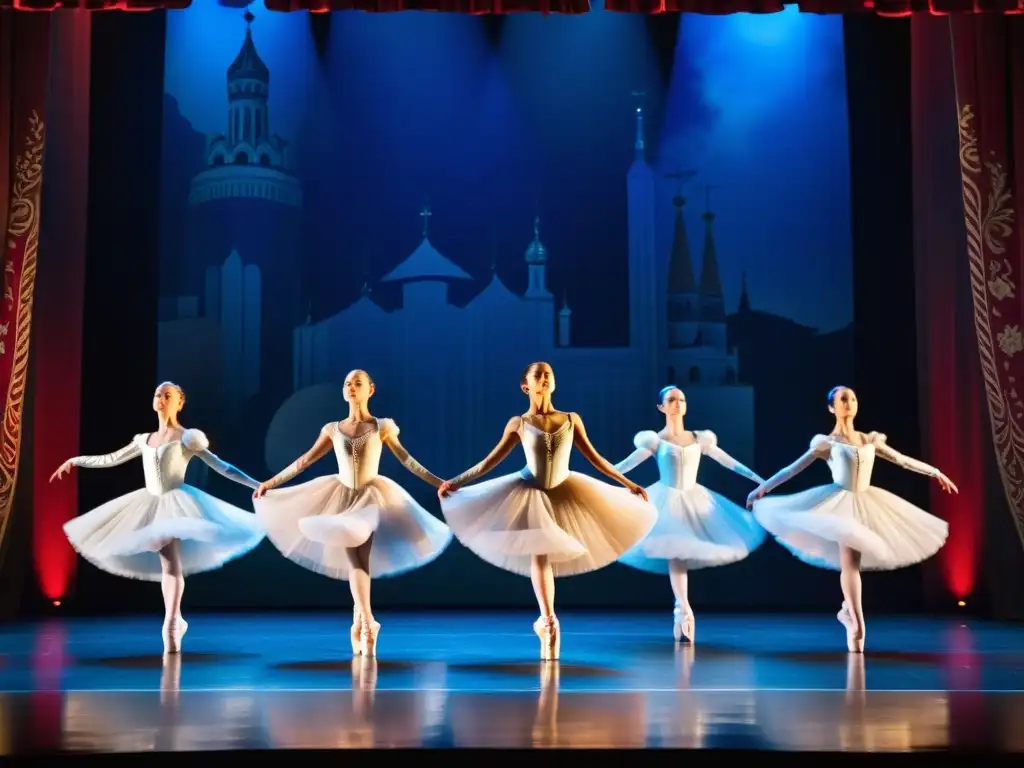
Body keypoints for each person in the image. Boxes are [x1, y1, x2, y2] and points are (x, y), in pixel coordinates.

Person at [437, 361, 655, 660]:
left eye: (549, 374)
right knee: (539, 553)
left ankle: (547, 621)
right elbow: (489, 462)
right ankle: (549, 620)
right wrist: (456, 482)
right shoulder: (519, 423)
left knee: (546, 554)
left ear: (554, 383)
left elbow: (596, 459)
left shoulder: (570, 419)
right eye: (538, 374)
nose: (544, 377)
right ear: (526, 386)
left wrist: (628, 483)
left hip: (566, 489)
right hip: (529, 492)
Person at [52, 382, 263, 654]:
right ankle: (175, 620)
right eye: (157, 394)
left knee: (168, 556)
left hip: (177, 502)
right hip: (150, 501)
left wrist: (257, 484)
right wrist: (76, 460)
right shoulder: (144, 439)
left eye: (167, 395)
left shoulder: (188, 438)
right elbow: (111, 458)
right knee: (168, 562)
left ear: (179, 403)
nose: (161, 398)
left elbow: (222, 467)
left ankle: (172, 621)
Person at [253, 369, 452, 658]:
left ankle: (365, 621)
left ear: (370, 389)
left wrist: (438, 482)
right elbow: (304, 461)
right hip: (341, 498)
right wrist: (270, 483)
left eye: (357, 383)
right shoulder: (332, 429)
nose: (351, 387)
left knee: (359, 560)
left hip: (372, 499)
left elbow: (408, 461)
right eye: (348, 383)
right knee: (356, 562)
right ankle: (363, 620)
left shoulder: (382, 427)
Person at [747, 386, 957, 652]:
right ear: (831, 408)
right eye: (843, 399)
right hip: (839, 502)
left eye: (853, 398)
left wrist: (935, 472)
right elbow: (792, 469)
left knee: (853, 562)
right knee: (851, 563)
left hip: (867, 502)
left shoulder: (870, 440)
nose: (850, 403)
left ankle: (850, 615)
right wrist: (762, 488)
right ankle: (857, 623)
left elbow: (902, 460)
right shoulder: (826, 443)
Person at [614, 385, 766, 644]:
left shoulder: (699, 438)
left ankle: (681, 609)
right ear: (661, 407)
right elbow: (627, 464)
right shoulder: (655, 441)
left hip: (695, 499)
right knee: (675, 552)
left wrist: (760, 481)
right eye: (671, 400)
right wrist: (598, 477)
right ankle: (683, 609)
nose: (677, 403)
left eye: (681, 399)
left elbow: (727, 461)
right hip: (666, 498)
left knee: (681, 553)